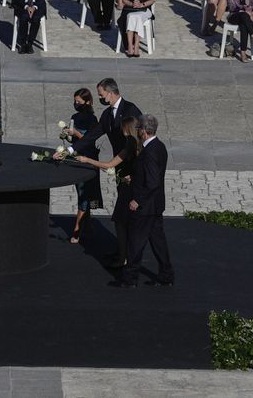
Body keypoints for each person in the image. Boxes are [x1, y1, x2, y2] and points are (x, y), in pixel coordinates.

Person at [76, 115, 139, 266]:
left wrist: (87, 160)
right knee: (123, 222)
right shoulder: (135, 143)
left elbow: (110, 164)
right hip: (128, 185)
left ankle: (123, 257)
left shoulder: (130, 142)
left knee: (120, 221)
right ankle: (123, 253)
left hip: (128, 188)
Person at [120, 114, 173, 288]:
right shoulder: (160, 146)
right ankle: (166, 275)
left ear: (144, 130)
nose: (138, 132)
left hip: (145, 206)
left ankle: (130, 278)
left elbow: (152, 181)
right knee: (158, 241)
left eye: (139, 129)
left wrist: (137, 200)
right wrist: (134, 177)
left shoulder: (149, 151)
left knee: (135, 242)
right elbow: (152, 175)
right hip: (156, 204)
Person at [68, 78, 142, 159]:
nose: (99, 98)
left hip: (135, 160)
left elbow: (142, 134)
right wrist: (70, 149)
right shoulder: (106, 114)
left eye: (101, 95)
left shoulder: (130, 109)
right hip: (118, 160)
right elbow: (92, 135)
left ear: (110, 93)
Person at [65, 88, 103, 244]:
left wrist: (76, 134)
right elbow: (72, 141)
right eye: (74, 101)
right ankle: (86, 224)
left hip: (88, 159)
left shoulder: (92, 120)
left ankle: (77, 229)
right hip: (76, 158)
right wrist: (67, 134)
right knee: (82, 192)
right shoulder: (74, 117)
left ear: (87, 102)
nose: (75, 104)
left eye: (78, 102)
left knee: (85, 193)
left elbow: (89, 139)